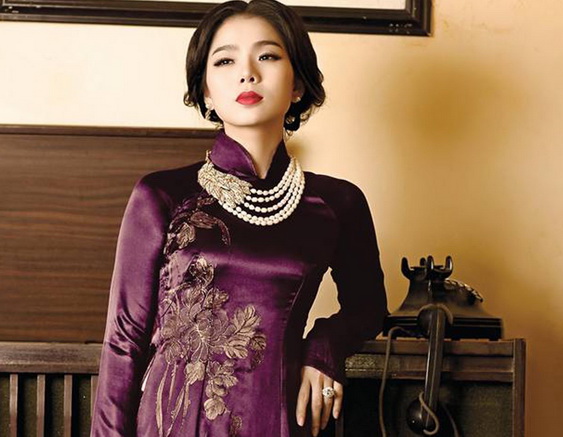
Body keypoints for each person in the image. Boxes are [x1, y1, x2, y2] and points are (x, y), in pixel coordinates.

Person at [90, 1, 387, 436]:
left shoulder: (337, 202)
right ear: (207, 92)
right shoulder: (162, 195)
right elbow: (124, 340)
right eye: (225, 61)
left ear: (297, 83)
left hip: (277, 418)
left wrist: (324, 347)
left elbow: (368, 308)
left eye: (267, 56)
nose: (247, 73)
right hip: (172, 423)